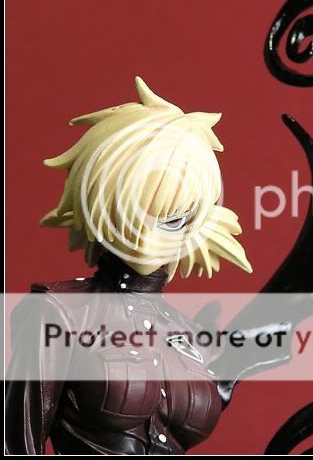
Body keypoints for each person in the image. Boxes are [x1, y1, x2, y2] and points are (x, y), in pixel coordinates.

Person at [5, 77, 252, 454]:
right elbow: (15, 441)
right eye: (136, 209)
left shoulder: (184, 332)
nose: (152, 233)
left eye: (177, 217)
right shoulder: (61, 313)